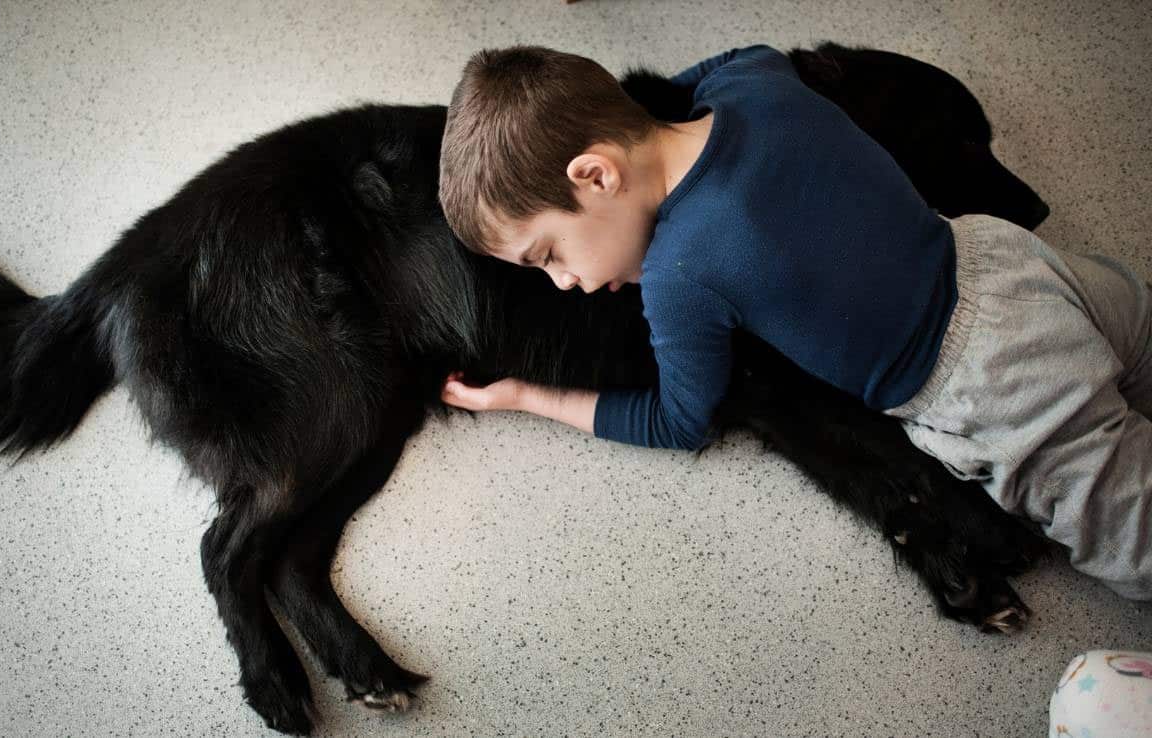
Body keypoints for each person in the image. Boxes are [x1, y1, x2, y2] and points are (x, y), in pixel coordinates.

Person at [436, 44, 1152, 598]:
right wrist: (636, 124)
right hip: (1011, 263)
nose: (567, 283)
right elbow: (725, 62)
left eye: (550, 254)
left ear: (596, 175)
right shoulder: (753, 80)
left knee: (1133, 535)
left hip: (985, 384)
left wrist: (524, 395)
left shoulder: (679, 279)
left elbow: (680, 421)